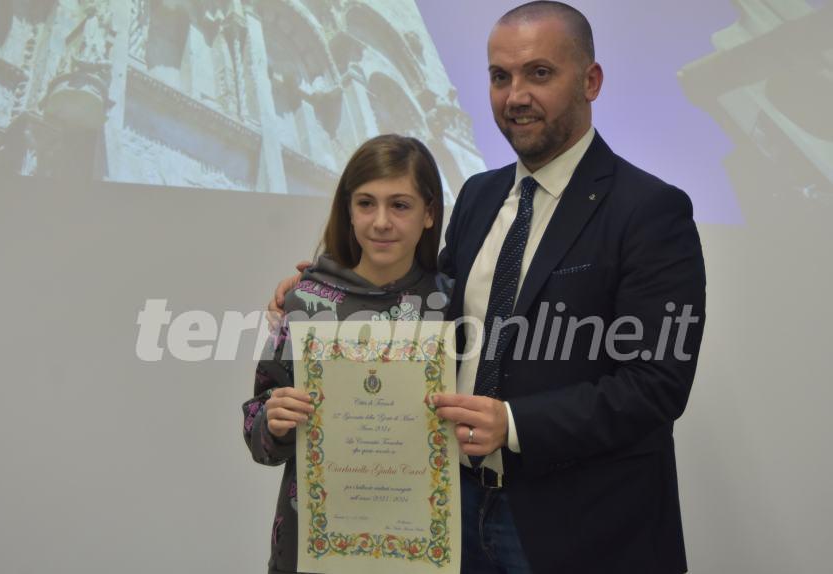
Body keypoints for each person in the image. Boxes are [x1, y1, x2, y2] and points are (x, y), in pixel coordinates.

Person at [271, 3, 706, 573]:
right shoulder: (478, 196)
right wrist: (326, 287)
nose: (515, 95)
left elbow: (656, 386)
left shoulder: (649, 210)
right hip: (451, 508)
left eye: (539, 73)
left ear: (591, 81)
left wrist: (515, 424)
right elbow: (421, 306)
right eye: (500, 76)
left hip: (577, 528)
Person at [241, 134, 448, 574]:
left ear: (429, 213)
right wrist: (273, 422)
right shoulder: (306, 300)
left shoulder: (453, 305)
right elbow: (257, 429)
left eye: (401, 205)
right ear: (348, 210)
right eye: (366, 203)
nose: (381, 222)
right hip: (315, 545)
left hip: (420, 547)